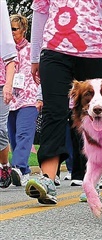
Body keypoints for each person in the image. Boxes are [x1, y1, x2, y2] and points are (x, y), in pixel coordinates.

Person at [24, 0, 102, 205]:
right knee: (54, 112)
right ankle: (48, 179)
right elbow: (40, 14)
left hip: (96, 53)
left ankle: (92, 180)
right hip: (54, 52)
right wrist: (35, 58)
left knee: (98, 115)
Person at [7, 14, 40, 187]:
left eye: (14, 29)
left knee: (24, 134)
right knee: (11, 137)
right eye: (9, 29)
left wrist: (41, 96)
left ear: (24, 30)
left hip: (29, 98)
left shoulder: (32, 49)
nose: (11, 32)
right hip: (9, 99)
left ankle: (18, 167)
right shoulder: (5, 50)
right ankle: (24, 171)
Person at [0, 0, 17, 189]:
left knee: (0, 130)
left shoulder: (2, 30)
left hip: (0, 84)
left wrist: (8, 85)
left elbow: (11, 60)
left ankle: (4, 165)